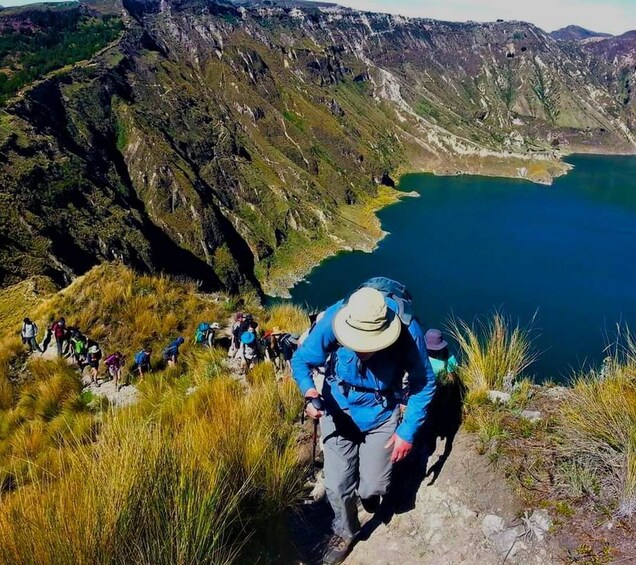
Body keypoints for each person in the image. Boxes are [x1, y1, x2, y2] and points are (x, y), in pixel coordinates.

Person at [292, 286, 436, 565]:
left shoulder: (409, 332)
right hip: (337, 406)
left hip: (380, 413)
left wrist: (406, 432)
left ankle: (370, 494)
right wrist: (310, 392)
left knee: (373, 488)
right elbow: (302, 359)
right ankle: (346, 532)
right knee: (336, 484)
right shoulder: (335, 317)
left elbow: (424, 383)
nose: (361, 349)